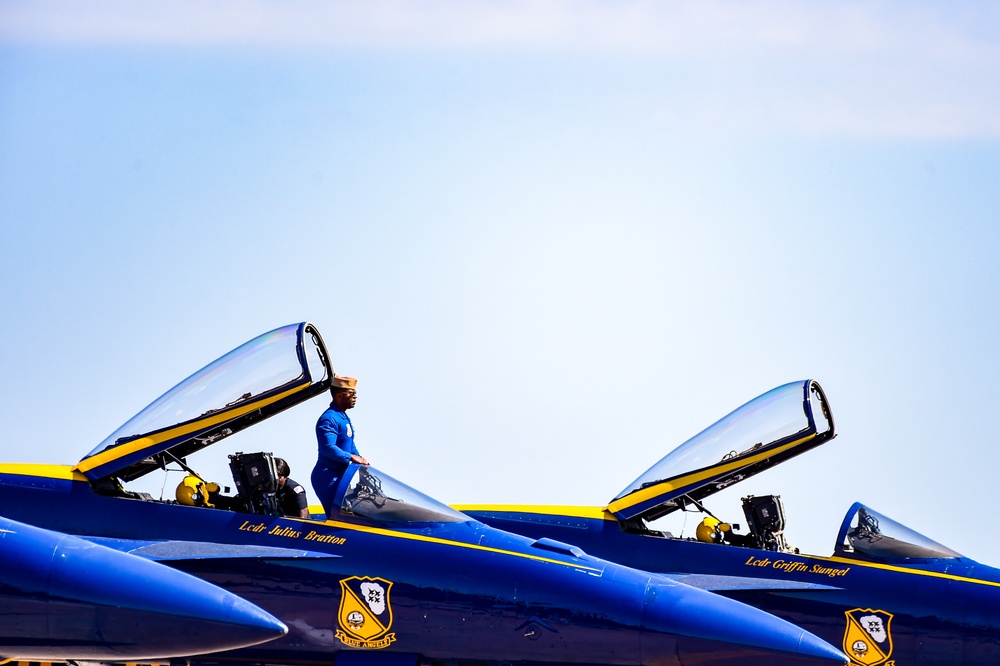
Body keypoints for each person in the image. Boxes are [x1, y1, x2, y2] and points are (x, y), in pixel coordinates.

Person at [312, 375, 368, 515]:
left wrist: (360, 458)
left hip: (340, 477)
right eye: (351, 393)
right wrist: (351, 457)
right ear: (338, 395)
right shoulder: (329, 418)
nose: (355, 397)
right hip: (328, 477)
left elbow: (349, 442)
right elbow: (328, 448)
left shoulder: (342, 417)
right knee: (340, 517)